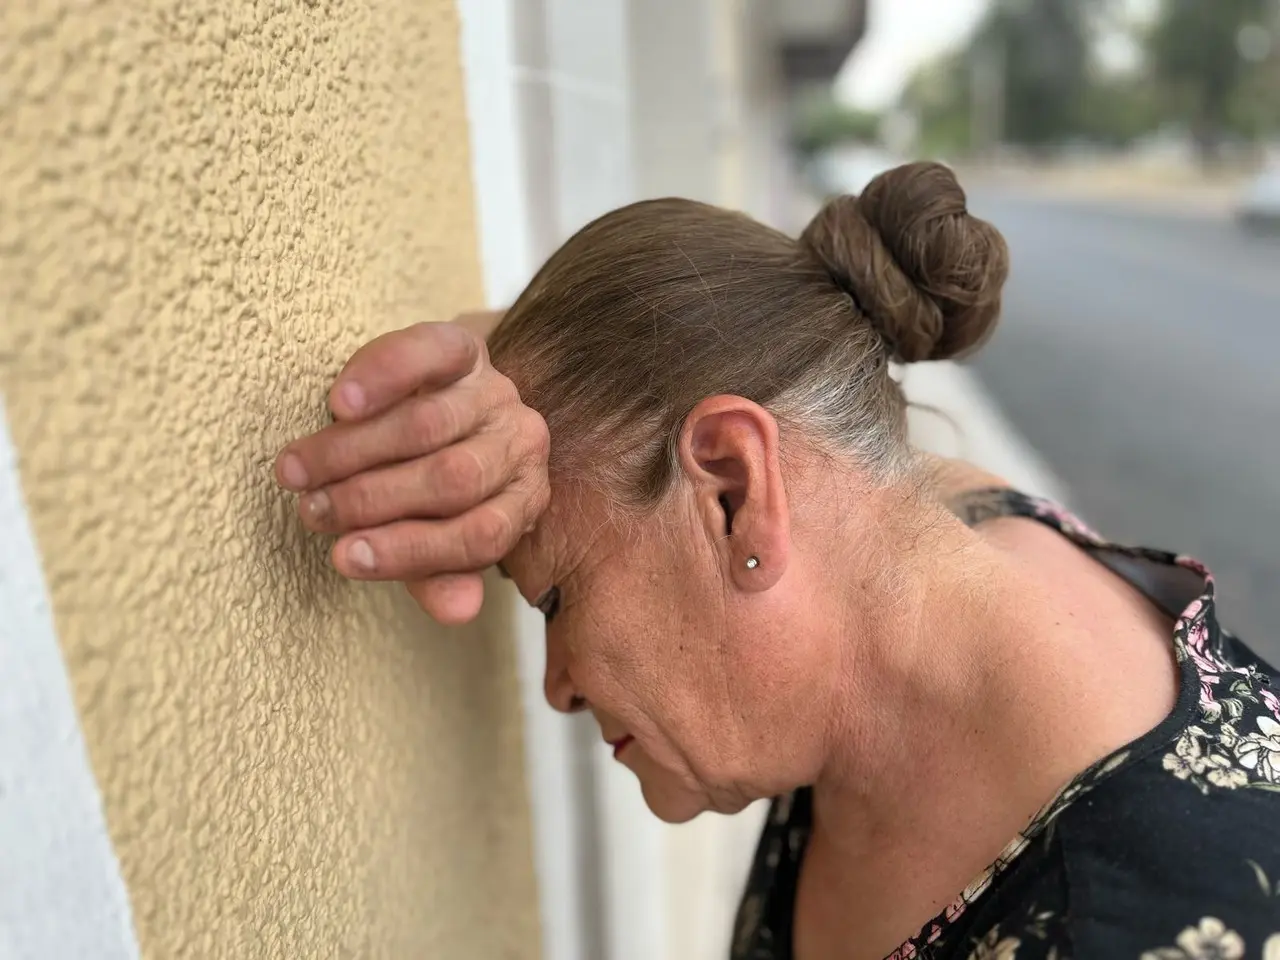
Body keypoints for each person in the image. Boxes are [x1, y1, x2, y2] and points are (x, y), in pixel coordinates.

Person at [275, 163, 1280, 959]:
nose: (557, 689)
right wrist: (472, 385)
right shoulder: (921, 523)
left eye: (550, 599)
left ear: (732, 494)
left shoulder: (1152, 929)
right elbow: (655, 371)